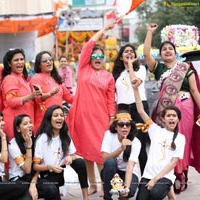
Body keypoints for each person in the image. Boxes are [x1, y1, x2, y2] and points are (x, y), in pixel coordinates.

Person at [144, 23, 200, 194]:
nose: (167, 51)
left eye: (170, 49)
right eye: (164, 49)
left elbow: (194, 91)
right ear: (160, 54)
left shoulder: (186, 68)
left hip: (186, 107)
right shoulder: (159, 68)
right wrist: (149, 32)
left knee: (182, 140)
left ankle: (181, 175)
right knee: (167, 141)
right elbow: (146, 53)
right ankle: (170, 175)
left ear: (175, 52)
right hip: (166, 110)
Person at [67, 23, 116, 196]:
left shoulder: (108, 76)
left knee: (101, 153)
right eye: (94, 55)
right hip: (82, 117)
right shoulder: (83, 69)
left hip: (101, 118)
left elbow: (111, 99)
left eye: (100, 56)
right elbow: (87, 46)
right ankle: (92, 184)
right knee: (87, 154)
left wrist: (112, 117)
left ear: (104, 59)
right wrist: (103, 30)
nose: (97, 58)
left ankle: (105, 185)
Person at [132, 75, 186, 200]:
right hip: (148, 175)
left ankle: (168, 189)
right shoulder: (155, 130)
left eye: (174, 116)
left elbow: (174, 163)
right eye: (169, 116)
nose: (171, 118)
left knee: (155, 194)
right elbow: (141, 111)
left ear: (178, 119)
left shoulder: (180, 138)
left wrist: (155, 179)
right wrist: (136, 90)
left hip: (165, 177)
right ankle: (170, 194)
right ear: (163, 118)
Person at [33, 105, 89, 200]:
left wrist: (71, 158)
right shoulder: (42, 139)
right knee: (52, 190)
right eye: (55, 115)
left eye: (61, 115)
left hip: (62, 171)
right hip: (48, 173)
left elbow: (74, 155)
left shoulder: (65, 135)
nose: (59, 118)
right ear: (49, 119)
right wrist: (49, 167)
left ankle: (86, 197)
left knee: (80, 162)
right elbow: (35, 166)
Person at [112, 44, 149, 175]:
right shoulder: (117, 74)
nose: (129, 53)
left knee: (141, 144)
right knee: (123, 144)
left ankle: (146, 177)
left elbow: (135, 83)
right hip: (122, 109)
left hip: (139, 108)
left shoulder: (141, 69)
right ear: (121, 57)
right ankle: (122, 178)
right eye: (126, 52)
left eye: (131, 52)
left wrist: (131, 66)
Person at [1, 48, 41, 140]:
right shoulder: (10, 79)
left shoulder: (22, 78)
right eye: (16, 60)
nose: (20, 62)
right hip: (15, 124)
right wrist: (30, 96)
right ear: (9, 64)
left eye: (22, 59)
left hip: (25, 124)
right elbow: (11, 101)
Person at [101, 110, 141, 200]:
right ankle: (107, 197)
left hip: (128, 173)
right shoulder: (109, 135)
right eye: (121, 124)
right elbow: (104, 159)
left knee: (128, 193)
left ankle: (122, 195)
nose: (124, 127)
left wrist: (126, 187)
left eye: (128, 124)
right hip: (112, 171)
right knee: (110, 162)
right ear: (115, 127)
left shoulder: (136, 142)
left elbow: (130, 167)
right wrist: (121, 149)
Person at [30, 51, 73, 132]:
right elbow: (38, 99)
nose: (48, 61)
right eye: (45, 60)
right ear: (39, 65)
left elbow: (70, 98)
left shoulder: (56, 79)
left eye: (50, 59)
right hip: (43, 122)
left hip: (58, 122)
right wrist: (49, 94)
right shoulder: (36, 78)